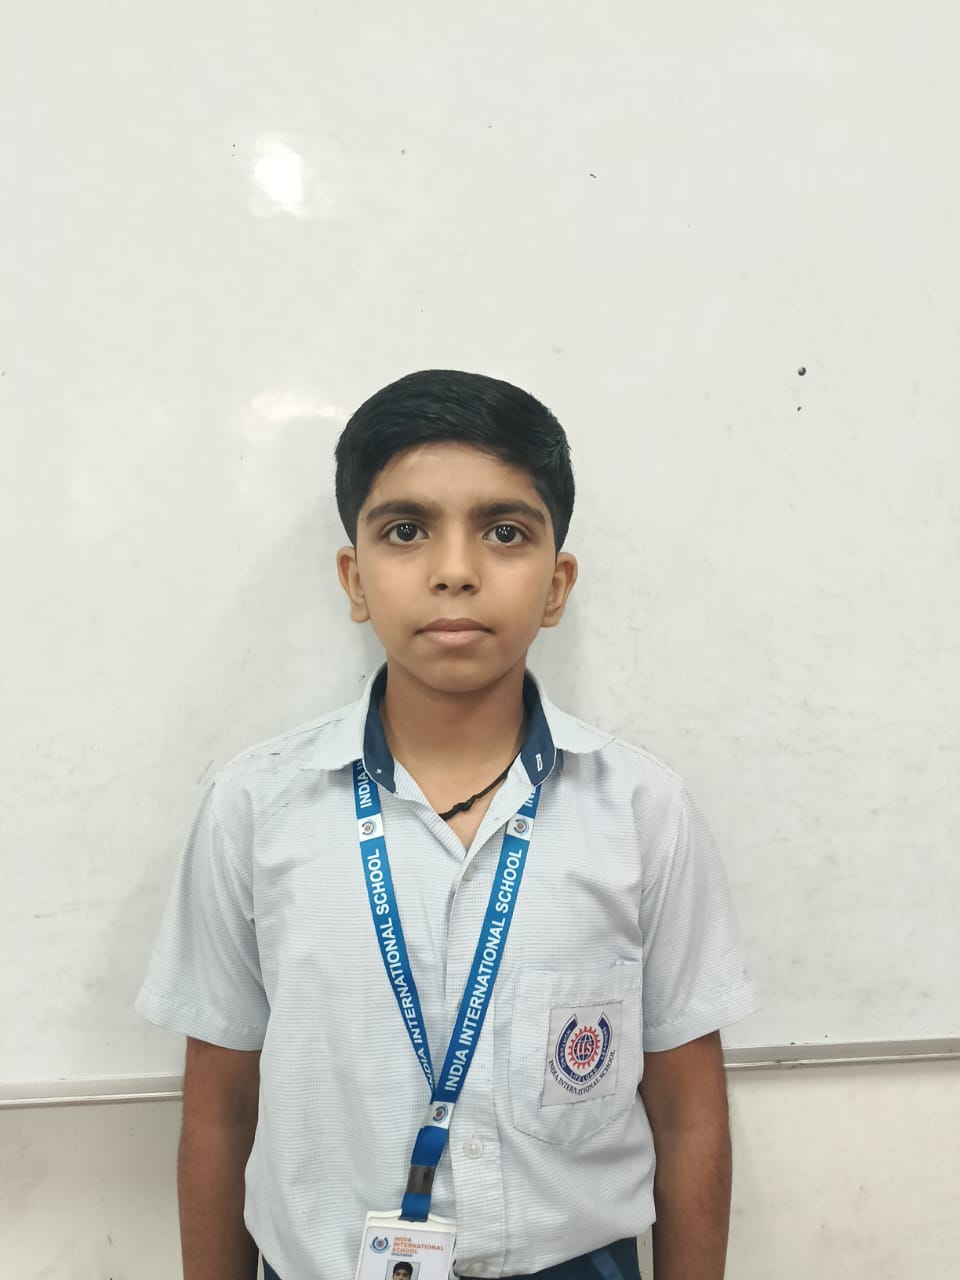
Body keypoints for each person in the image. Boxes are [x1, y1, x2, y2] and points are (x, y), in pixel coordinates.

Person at [137, 369, 758, 1280]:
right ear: (355, 579)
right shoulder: (257, 809)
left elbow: (689, 1114)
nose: (456, 569)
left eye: (505, 532)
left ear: (556, 585)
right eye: (406, 530)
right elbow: (221, 1110)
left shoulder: (639, 811)